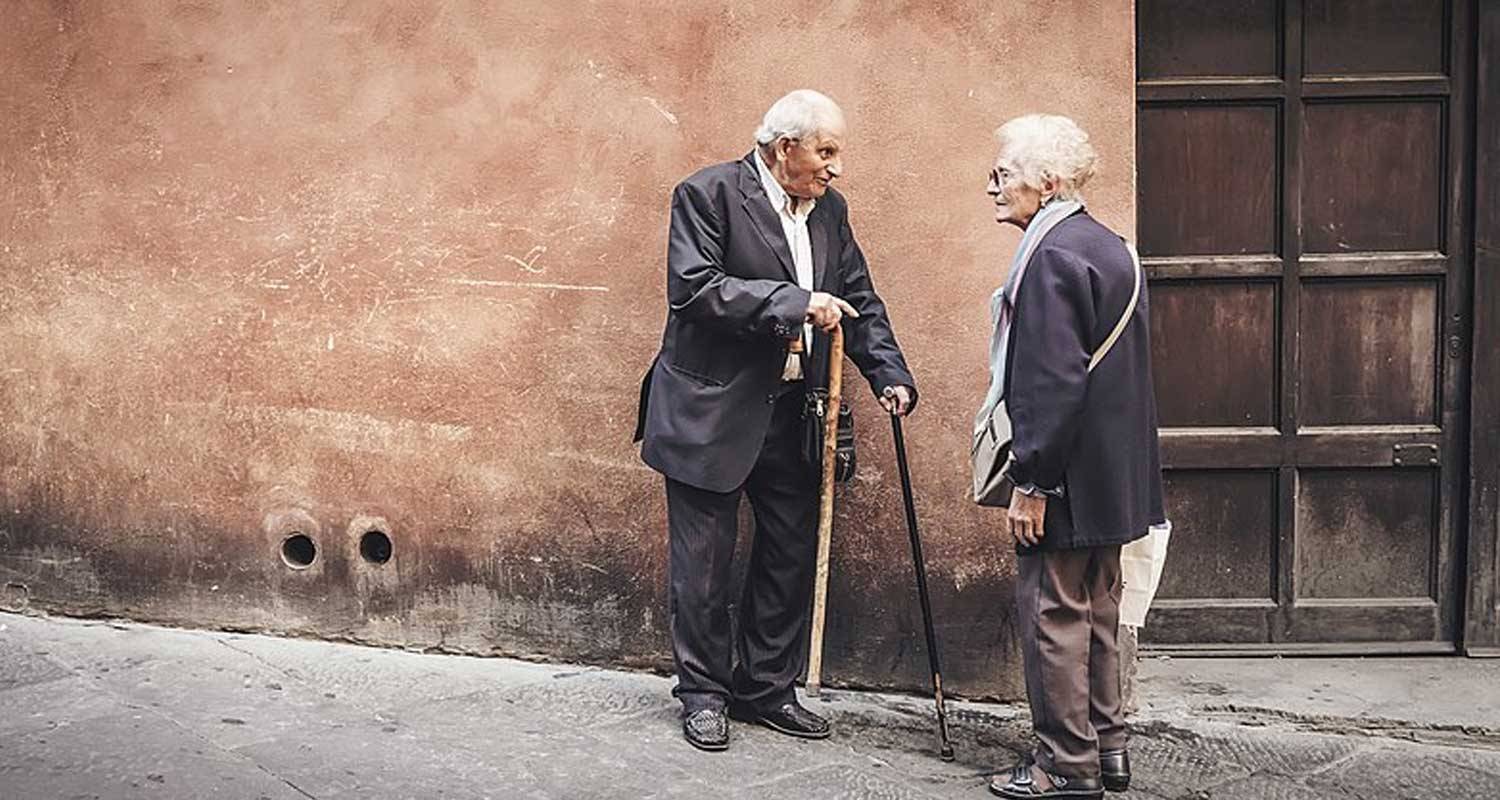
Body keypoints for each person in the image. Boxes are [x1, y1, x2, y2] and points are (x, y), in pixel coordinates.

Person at [634, 89, 918, 752]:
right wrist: (794, 302)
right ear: (784, 147)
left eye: (836, 152)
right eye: (826, 151)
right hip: (710, 410)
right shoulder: (707, 194)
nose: (835, 167)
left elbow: (858, 298)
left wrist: (891, 375)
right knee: (703, 566)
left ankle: (766, 688)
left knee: (789, 556)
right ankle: (703, 693)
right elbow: (696, 289)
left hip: (794, 412)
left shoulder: (831, 211)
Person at [979, 114, 1165, 799]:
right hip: (1113, 477)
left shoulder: (1051, 255)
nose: (992, 186)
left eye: (1004, 175)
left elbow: (1051, 383)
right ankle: (1108, 749)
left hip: (1066, 478)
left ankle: (1064, 765)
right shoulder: (1111, 246)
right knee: (1100, 612)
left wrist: (1031, 481)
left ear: (1048, 182)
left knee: (1054, 615)